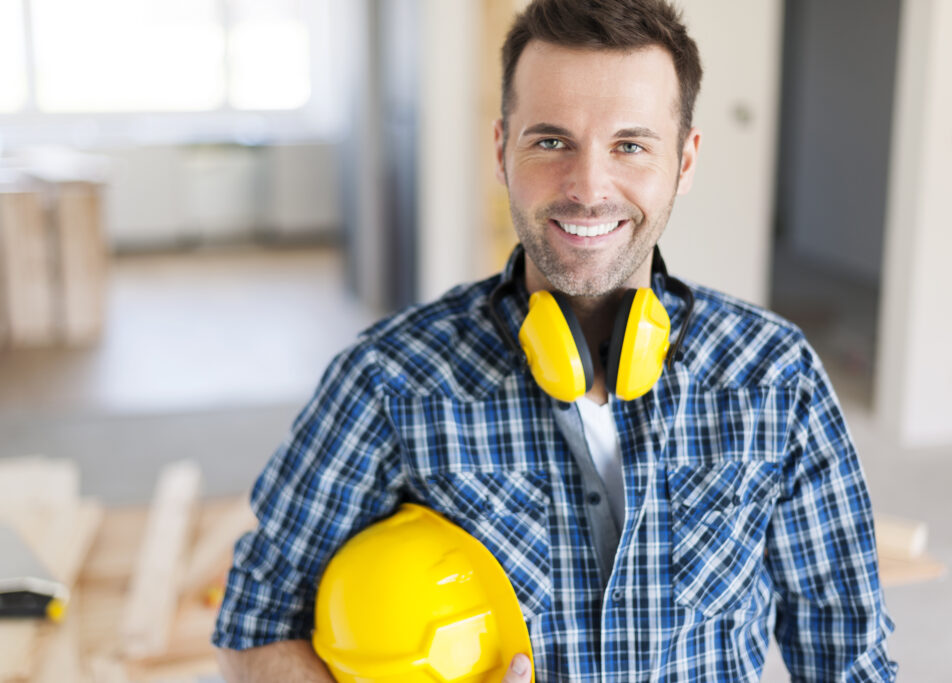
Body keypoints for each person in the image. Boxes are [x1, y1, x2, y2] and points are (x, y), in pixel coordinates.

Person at [213, 0, 897, 680]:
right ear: (502, 151)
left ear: (685, 161)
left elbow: (853, 660)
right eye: (550, 141)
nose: (588, 187)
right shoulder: (388, 379)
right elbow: (255, 631)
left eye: (630, 144)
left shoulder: (776, 376)